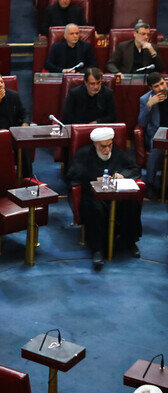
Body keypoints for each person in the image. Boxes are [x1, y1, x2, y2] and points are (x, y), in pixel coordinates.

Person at [66, 127, 142, 270]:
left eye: (109, 145)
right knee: (94, 208)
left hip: (117, 196)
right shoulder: (83, 154)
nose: (107, 150)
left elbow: (135, 169)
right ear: (95, 144)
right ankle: (97, 250)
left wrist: (122, 175)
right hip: (93, 196)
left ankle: (129, 242)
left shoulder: (118, 153)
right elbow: (72, 175)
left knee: (131, 203)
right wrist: (94, 179)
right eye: (103, 146)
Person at [138, 72, 167, 200]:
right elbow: (141, 123)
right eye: (156, 86)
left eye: (162, 83)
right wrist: (149, 106)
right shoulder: (145, 99)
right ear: (151, 88)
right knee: (157, 148)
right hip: (157, 134)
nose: (161, 88)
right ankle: (150, 184)